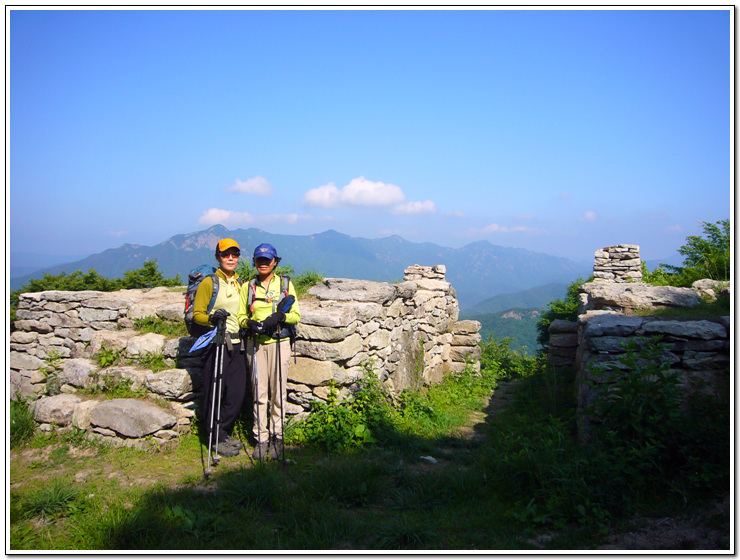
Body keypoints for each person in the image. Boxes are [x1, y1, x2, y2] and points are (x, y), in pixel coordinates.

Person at [238, 243, 300, 461]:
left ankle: (277, 437)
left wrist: (281, 317)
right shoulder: (248, 286)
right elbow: (239, 316)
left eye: (267, 260)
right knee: (258, 392)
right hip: (255, 343)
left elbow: (296, 315)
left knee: (278, 393)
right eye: (259, 260)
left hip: (279, 342)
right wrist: (248, 323)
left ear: (275, 261)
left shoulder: (285, 284)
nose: (263, 263)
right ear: (254, 262)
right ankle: (261, 439)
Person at [192, 238, 247, 458]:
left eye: (234, 254)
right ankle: (214, 437)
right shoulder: (210, 283)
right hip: (216, 344)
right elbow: (198, 315)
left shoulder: (241, 283)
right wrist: (212, 318)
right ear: (218, 257)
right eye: (226, 254)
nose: (230, 258)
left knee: (236, 393)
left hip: (238, 344)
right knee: (215, 392)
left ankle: (223, 432)